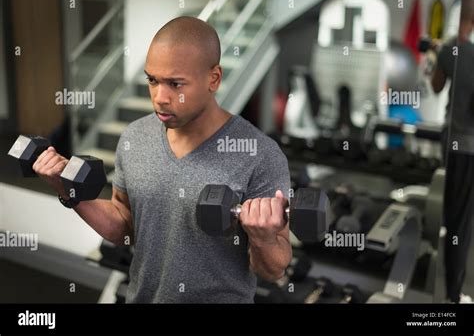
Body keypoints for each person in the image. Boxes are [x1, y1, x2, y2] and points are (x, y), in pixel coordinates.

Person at [32, 16, 292, 303]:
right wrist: (68, 191)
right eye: (152, 80)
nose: (159, 97)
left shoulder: (260, 154)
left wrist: (263, 238)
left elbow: (274, 269)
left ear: (213, 79)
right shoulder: (135, 137)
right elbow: (125, 225)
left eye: (175, 84)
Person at [431, 0, 474, 303]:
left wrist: (437, 57)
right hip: (470, 148)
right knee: (461, 222)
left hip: (451, 146)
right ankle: (453, 295)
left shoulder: (450, 49)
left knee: (448, 217)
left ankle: (445, 287)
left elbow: (435, 87)